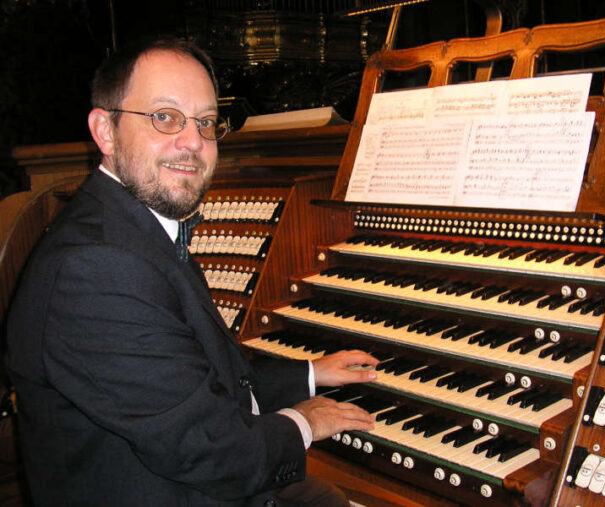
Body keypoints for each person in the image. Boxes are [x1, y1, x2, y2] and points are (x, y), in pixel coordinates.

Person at [4, 36, 379, 507]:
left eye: (205, 122)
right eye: (165, 117)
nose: (193, 142)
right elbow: (213, 452)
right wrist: (306, 422)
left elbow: (202, 375)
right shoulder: (96, 266)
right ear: (105, 130)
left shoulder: (130, 226)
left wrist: (308, 374)